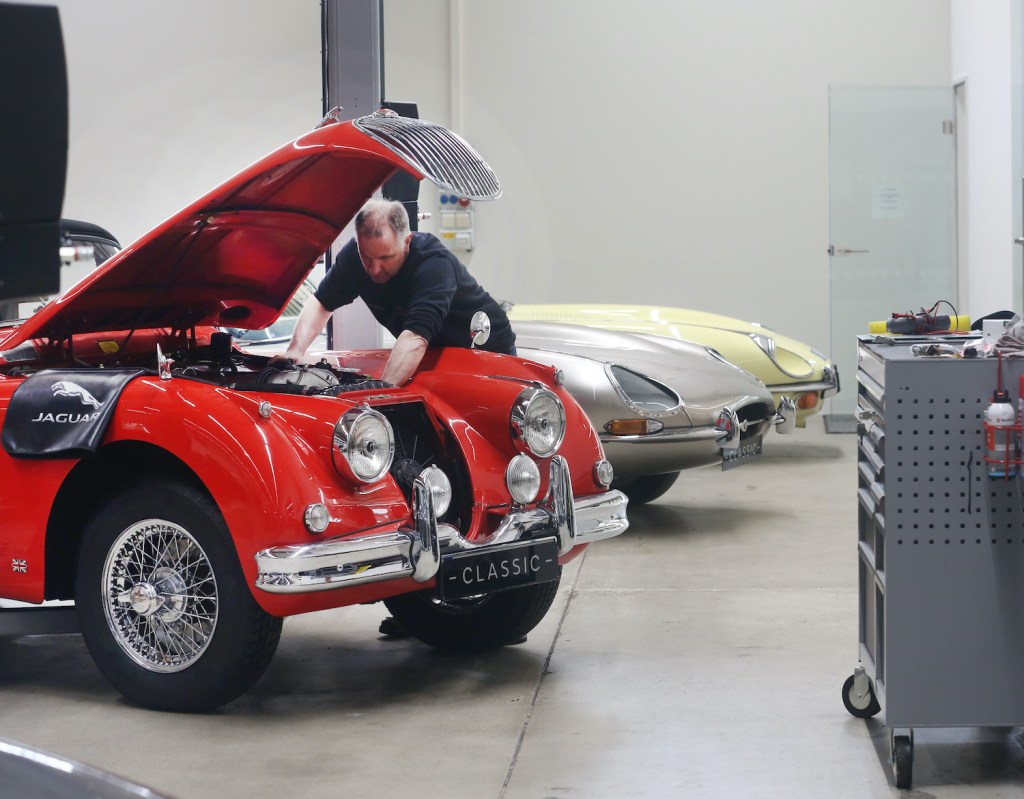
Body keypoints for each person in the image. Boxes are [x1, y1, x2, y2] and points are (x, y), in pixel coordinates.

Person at [276, 198, 515, 383]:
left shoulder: (433, 263)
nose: (375, 269)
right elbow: (321, 302)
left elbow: (414, 339)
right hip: (433, 354)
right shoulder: (353, 258)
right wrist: (295, 352)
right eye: (366, 257)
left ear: (407, 241)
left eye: (385, 257)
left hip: (488, 350)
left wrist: (381, 391)